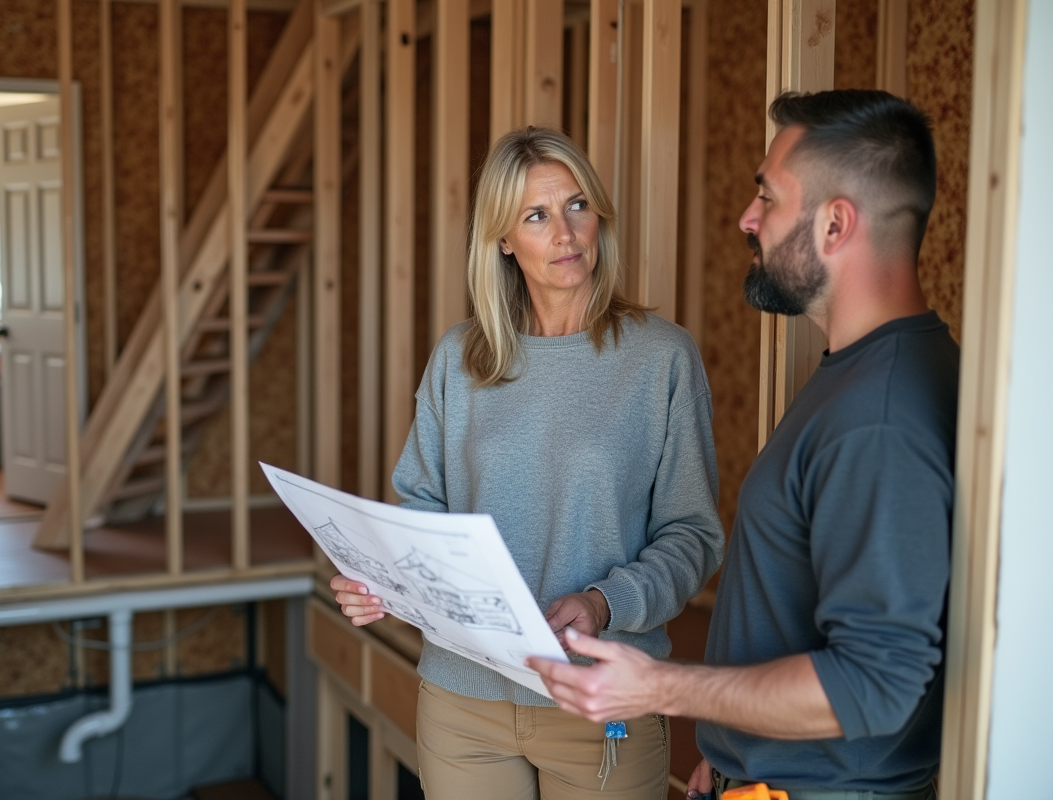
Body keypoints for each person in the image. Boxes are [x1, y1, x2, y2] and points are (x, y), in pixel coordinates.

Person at [529, 89, 957, 800]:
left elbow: (875, 684)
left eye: (768, 197)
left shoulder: (880, 416)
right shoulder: (867, 371)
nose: (746, 219)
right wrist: (734, 753)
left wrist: (663, 686)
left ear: (834, 224)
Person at [330, 126, 725, 799]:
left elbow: (693, 536)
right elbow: (421, 509)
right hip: (462, 704)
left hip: (599, 699)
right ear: (504, 240)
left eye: (577, 205)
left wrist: (605, 603)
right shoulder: (460, 359)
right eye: (536, 216)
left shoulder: (661, 358)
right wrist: (381, 580)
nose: (565, 233)